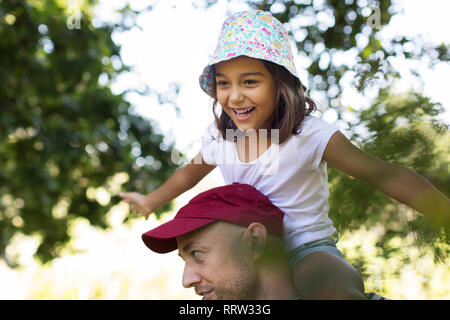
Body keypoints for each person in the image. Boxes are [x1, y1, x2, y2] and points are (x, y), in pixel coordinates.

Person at [121, 10, 450, 300]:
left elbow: (384, 174)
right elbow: (187, 174)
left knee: (332, 291)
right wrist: (151, 200)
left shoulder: (310, 134)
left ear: (280, 84)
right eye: (224, 84)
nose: (234, 96)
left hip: (306, 250)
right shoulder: (220, 137)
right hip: (248, 253)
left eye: (249, 81)